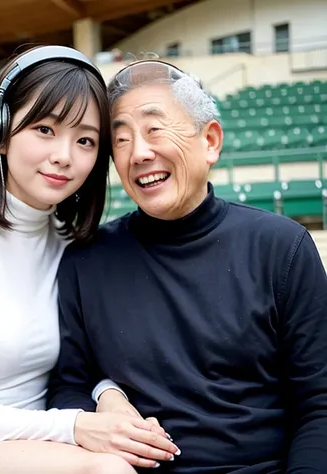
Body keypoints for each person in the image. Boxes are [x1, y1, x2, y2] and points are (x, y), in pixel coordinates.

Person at [0, 47, 179, 474]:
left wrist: (107, 396)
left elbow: (79, 364)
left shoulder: (73, 245)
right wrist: (76, 427)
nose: (64, 155)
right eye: (45, 129)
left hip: (45, 444)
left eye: (85, 140)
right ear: (0, 131)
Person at [47, 59, 327, 473]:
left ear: (210, 141)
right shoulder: (85, 259)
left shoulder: (282, 246)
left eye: (155, 129)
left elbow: (318, 406)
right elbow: (68, 387)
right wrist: (103, 402)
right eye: (120, 140)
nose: (139, 153)